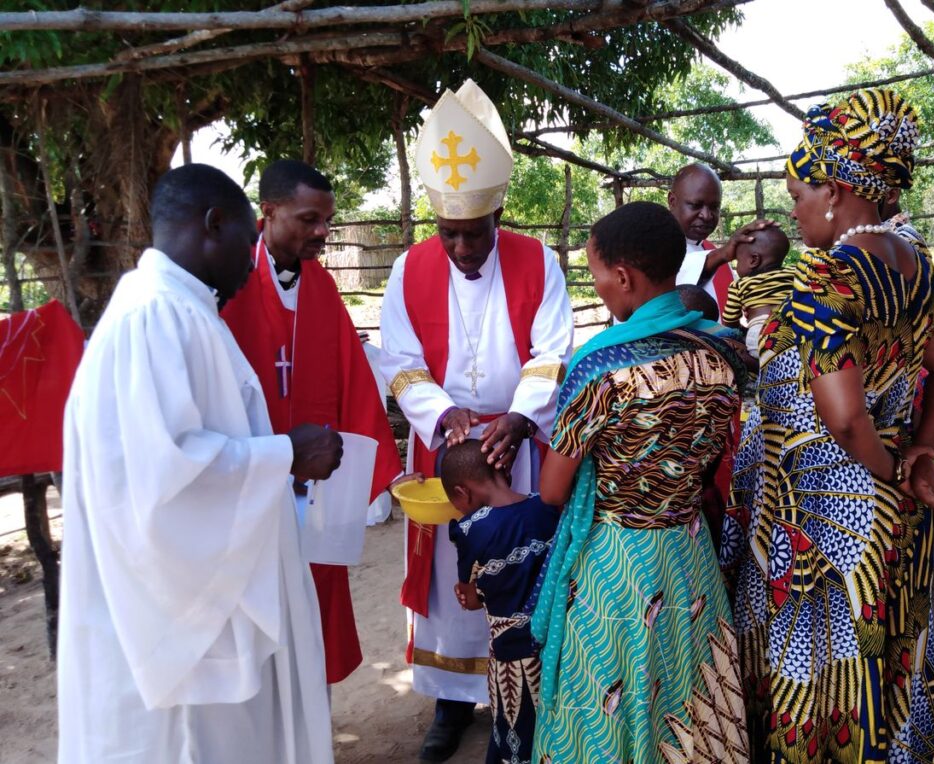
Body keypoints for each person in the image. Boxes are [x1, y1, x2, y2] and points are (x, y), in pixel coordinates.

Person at [720, 89, 934, 762]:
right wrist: (922, 449)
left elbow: (842, 415)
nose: (794, 210)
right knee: (879, 658)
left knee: (819, 678)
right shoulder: (912, 267)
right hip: (889, 520)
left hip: (822, 530)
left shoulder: (827, 278)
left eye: (798, 194)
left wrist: (889, 467)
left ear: (834, 191)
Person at [58, 164, 341, 763]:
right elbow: (167, 483)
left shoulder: (177, 311)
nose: (252, 257)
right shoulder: (153, 318)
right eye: (247, 239)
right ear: (214, 224)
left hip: (202, 620)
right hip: (181, 640)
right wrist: (289, 453)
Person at [378, 79, 574, 761]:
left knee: (517, 567)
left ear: (499, 215)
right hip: (448, 448)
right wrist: (440, 414)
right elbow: (399, 361)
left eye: (475, 234)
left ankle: (522, 691)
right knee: (444, 578)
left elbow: (553, 349)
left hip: (514, 447)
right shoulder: (408, 268)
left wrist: (519, 418)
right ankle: (450, 699)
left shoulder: (538, 260)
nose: (462, 249)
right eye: (449, 234)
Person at [531, 201, 749, 762]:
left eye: (597, 273)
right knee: (683, 702)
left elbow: (555, 491)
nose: (597, 285)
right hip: (688, 555)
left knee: (605, 706)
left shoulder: (601, 367)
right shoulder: (722, 353)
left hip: (616, 569)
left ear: (623, 276)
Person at [221, 159, 403, 686]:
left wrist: (386, 471)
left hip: (314, 493)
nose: (322, 232)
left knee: (312, 616)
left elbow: (353, 376)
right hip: (248, 489)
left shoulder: (321, 286)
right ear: (270, 212)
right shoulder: (228, 284)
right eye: (308, 220)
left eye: (327, 220)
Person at [440, 440, 559, 764]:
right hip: (557, 645)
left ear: (462, 493)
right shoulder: (545, 505)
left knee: (515, 729)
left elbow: (472, 595)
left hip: (512, 656)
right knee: (556, 722)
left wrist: (469, 596)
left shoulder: (469, 530)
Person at [667, 163, 776, 313]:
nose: (706, 215)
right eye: (695, 205)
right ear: (672, 201)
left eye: (714, 207)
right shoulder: (650, 245)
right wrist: (723, 254)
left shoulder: (715, 254)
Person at [720, 226, 793, 357]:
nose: (736, 266)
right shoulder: (794, 273)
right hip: (794, 329)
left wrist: (743, 330)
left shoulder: (739, 284)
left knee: (760, 368)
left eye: (738, 261)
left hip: (760, 331)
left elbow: (729, 321)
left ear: (754, 260)